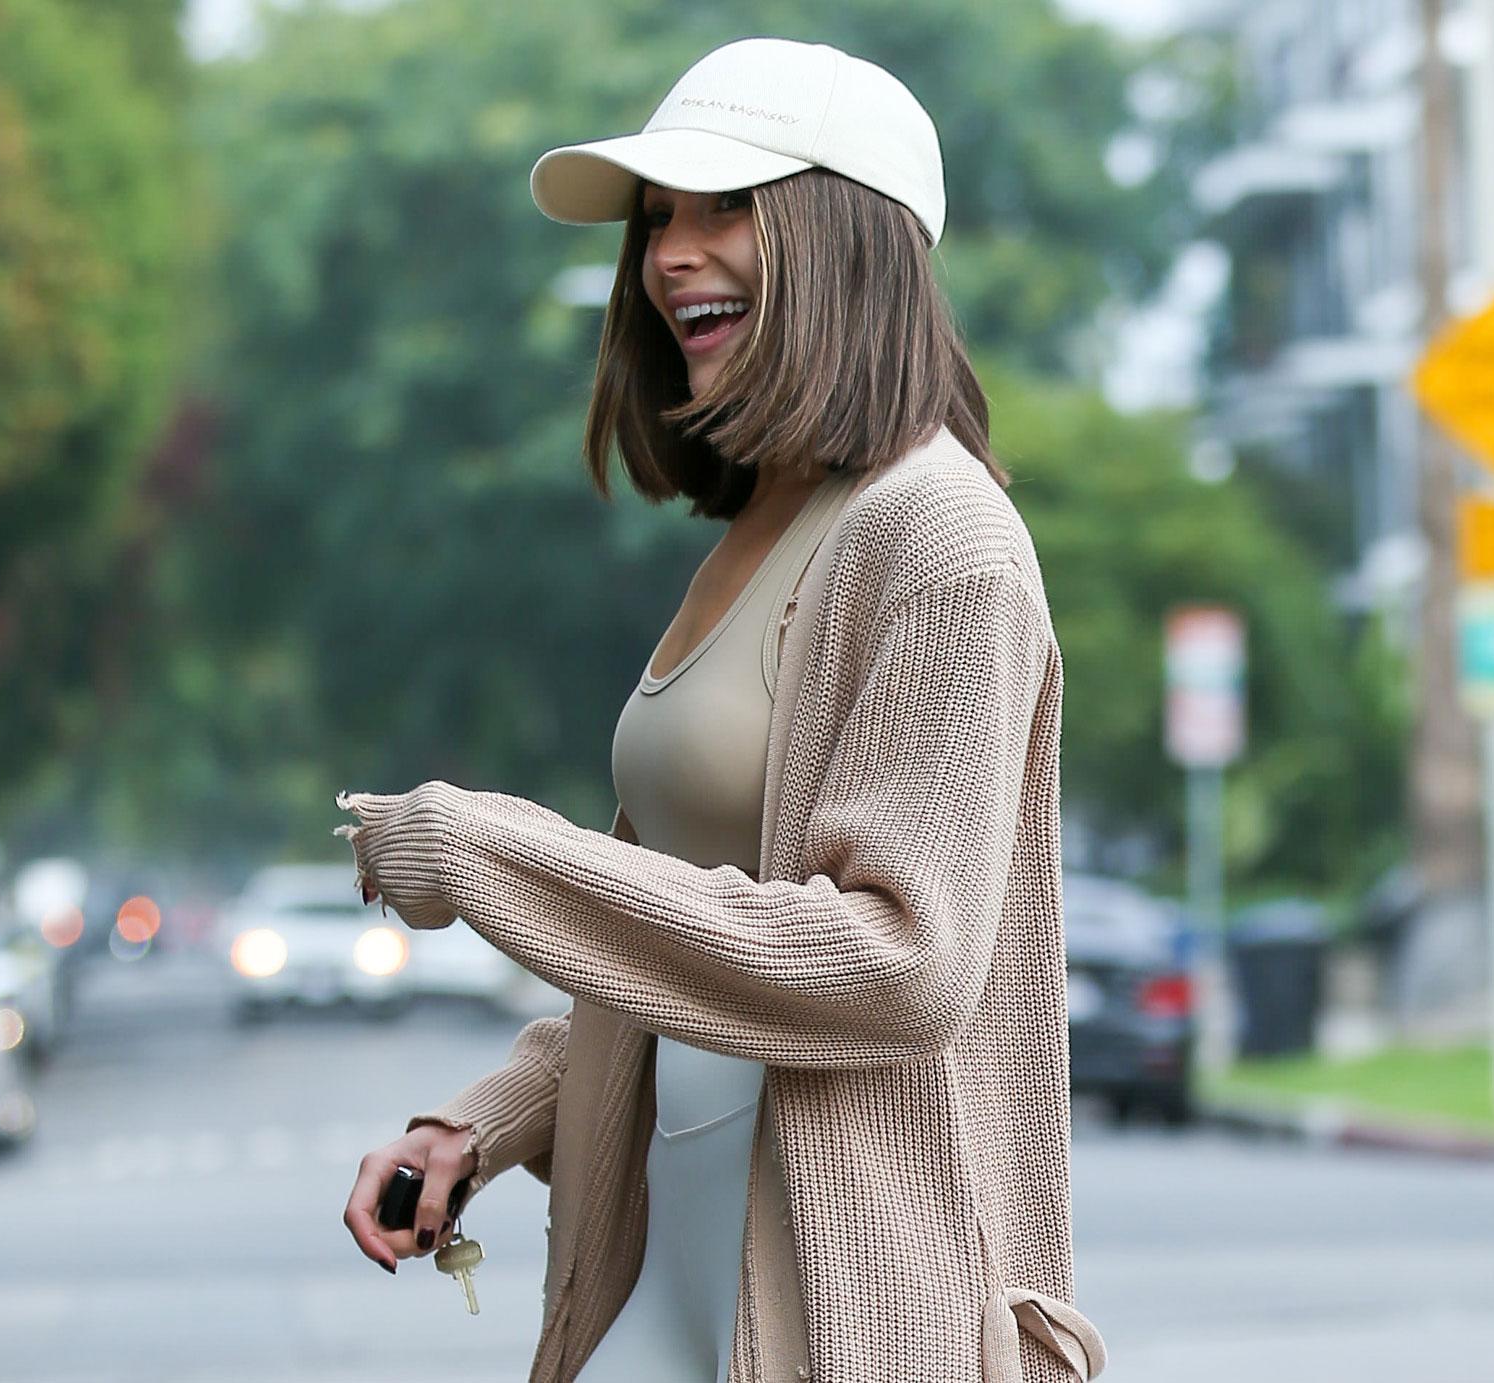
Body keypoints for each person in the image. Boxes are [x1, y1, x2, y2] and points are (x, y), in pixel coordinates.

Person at [334, 36, 1104, 1383]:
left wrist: (486, 852)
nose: (667, 255)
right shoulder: (768, 530)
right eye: (656, 220)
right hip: (670, 1264)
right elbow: (687, 932)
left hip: (842, 1306)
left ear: (845, 237)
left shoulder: (940, 544)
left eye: (721, 208)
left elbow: (899, 966)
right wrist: (488, 1123)